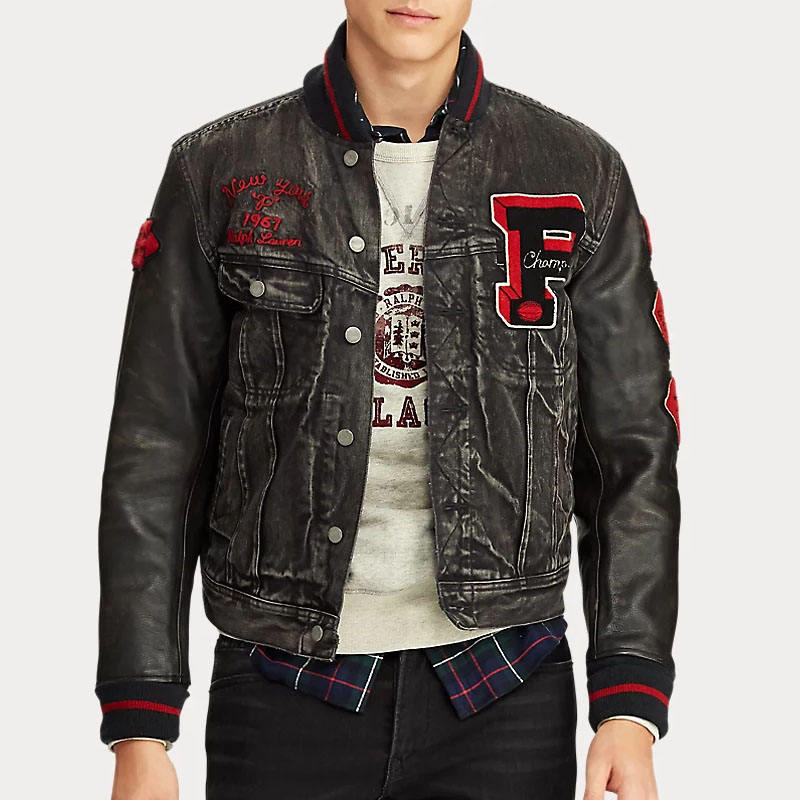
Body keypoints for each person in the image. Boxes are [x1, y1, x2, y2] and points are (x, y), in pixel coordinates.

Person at [96, 2, 681, 798]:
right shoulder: (219, 170)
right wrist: (140, 722)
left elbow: (632, 454)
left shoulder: (577, 172)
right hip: (282, 686)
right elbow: (157, 450)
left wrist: (630, 701)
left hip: (505, 690)